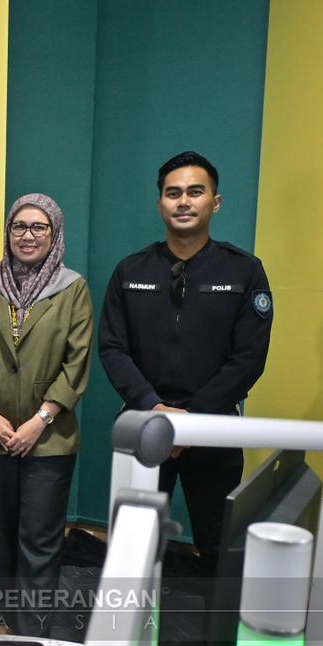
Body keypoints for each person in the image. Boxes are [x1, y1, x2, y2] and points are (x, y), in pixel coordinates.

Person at [99, 151, 272, 582]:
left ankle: (219, 628)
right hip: (144, 425)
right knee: (133, 551)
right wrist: (155, 409)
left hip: (214, 429)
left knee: (220, 548)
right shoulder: (131, 270)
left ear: (215, 202)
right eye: (173, 193)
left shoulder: (244, 271)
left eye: (195, 192)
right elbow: (113, 348)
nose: (183, 202)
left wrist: (191, 421)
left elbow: (249, 358)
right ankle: (132, 627)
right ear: (160, 203)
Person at [0, 193, 93, 637]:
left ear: (55, 235)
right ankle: (3, 620)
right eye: (19, 226)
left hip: (49, 439)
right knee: (2, 534)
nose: (28, 235)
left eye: (39, 227)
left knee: (39, 539)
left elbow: (76, 362)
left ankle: (33, 630)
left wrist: (40, 420)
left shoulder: (72, 288)